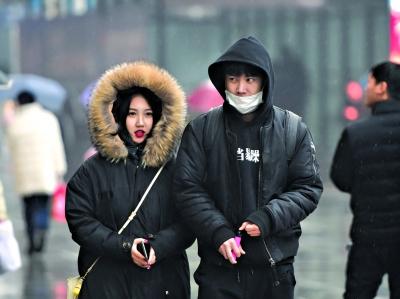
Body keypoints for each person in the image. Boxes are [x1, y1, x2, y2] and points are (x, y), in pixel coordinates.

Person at [173, 36, 323, 299]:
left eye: (250, 79)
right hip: (219, 269)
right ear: (223, 81)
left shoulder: (292, 129)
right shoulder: (202, 130)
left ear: (265, 81)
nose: (241, 88)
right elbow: (187, 188)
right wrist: (218, 231)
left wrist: (268, 217)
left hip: (274, 270)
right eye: (233, 79)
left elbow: (307, 188)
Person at [65, 61, 194, 299]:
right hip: (107, 284)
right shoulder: (92, 170)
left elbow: (189, 220)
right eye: (132, 114)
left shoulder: (175, 169)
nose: (140, 122)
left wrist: (158, 246)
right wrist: (124, 246)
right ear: (120, 115)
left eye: (148, 114)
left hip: (163, 282)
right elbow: (79, 219)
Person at [331, 61, 400, 299]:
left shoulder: (356, 133)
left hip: (368, 236)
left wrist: (367, 185)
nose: (365, 89)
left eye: (369, 83)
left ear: (382, 87)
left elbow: (340, 178)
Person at [5, 91, 67, 255]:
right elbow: (56, 146)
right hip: (44, 172)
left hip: (23, 174)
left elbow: (11, 149)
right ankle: (42, 231)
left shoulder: (15, 123)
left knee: (28, 207)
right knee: (43, 205)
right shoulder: (48, 119)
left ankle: (31, 236)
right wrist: (60, 169)